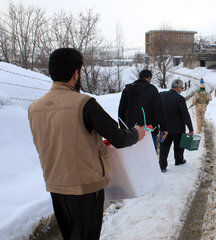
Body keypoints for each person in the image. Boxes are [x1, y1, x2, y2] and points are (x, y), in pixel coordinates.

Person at [28, 48, 145, 240]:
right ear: (76, 73)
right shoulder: (84, 103)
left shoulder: (34, 108)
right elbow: (119, 138)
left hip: (55, 185)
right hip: (85, 188)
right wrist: (136, 133)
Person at [118, 69, 167, 150]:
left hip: (131, 132)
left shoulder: (126, 91)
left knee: (134, 158)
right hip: (149, 131)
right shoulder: (152, 90)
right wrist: (164, 128)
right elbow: (158, 111)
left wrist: (123, 129)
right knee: (150, 157)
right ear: (149, 78)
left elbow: (121, 112)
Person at [159, 79, 194, 172]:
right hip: (178, 128)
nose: (182, 89)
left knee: (164, 147)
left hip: (164, 128)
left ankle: (162, 166)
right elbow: (185, 115)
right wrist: (190, 128)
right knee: (178, 146)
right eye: (182, 87)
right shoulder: (180, 99)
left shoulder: (161, 95)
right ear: (178, 87)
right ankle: (179, 160)